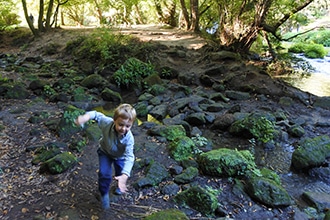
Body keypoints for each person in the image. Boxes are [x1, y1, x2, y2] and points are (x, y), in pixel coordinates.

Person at [75, 103, 136, 209]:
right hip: (105, 152)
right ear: (114, 120)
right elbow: (96, 114)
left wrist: (125, 175)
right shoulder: (107, 123)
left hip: (120, 157)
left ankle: (118, 184)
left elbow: (130, 157)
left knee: (120, 171)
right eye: (120, 124)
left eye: (128, 126)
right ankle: (104, 194)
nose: (123, 129)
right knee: (104, 174)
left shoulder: (129, 138)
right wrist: (85, 117)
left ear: (132, 125)